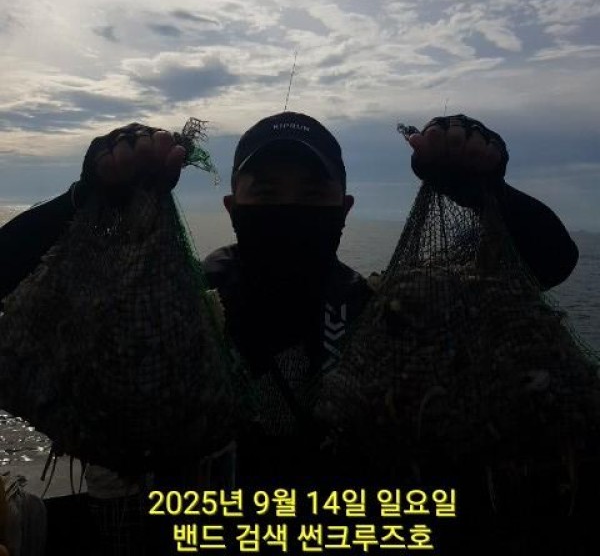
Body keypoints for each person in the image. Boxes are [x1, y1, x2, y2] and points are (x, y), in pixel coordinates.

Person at [0, 111, 579, 551]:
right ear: (233, 206)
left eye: (311, 194)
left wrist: (487, 193)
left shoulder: (386, 312)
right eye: (268, 192)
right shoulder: (178, 312)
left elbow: (549, 262)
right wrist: (85, 196)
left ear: (343, 208)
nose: (289, 206)